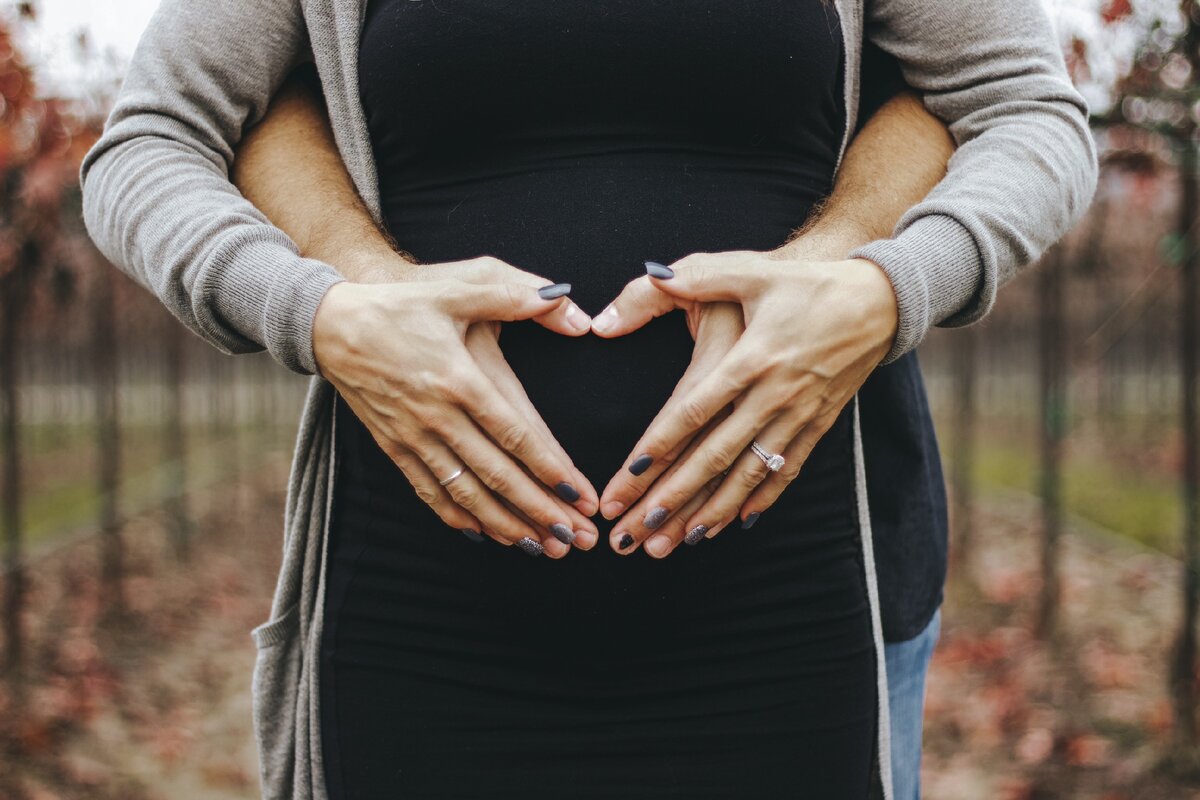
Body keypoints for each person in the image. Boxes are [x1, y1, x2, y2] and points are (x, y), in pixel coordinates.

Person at [80, 1, 1097, 799]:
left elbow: (1021, 106)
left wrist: (881, 285)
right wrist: (324, 310)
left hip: (796, 611)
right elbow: (151, 141)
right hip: (420, 619)